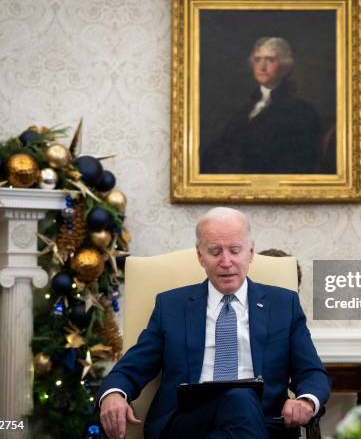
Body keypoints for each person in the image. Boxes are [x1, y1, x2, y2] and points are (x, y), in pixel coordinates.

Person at [97, 207, 330, 439]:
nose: (226, 261)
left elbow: (311, 372)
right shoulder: (171, 306)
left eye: (235, 250)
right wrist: (113, 395)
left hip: (263, 422)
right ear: (200, 256)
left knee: (241, 398)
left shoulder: (283, 304)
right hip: (187, 423)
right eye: (215, 251)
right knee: (239, 396)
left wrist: (306, 400)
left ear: (250, 252)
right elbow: (132, 368)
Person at [200, 37, 324, 174]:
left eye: (270, 60)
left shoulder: (302, 112)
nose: (262, 67)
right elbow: (218, 150)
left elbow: (296, 164)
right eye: (257, 59)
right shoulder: (244, 110)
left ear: (285, 67)